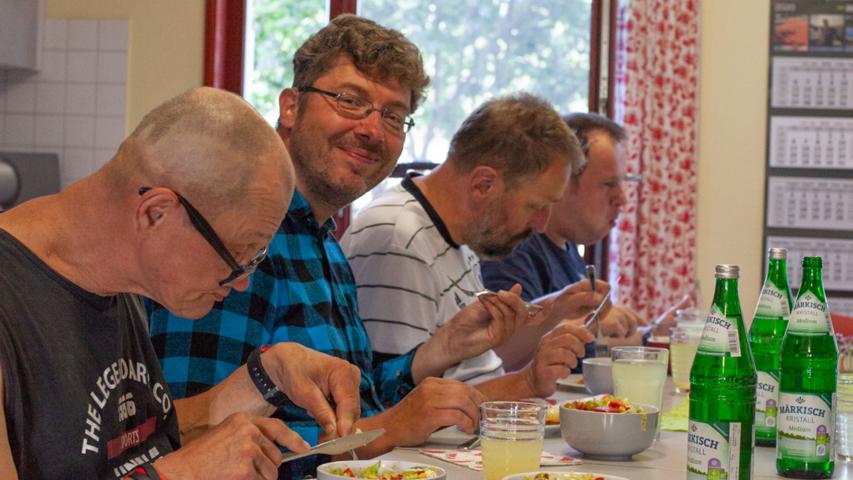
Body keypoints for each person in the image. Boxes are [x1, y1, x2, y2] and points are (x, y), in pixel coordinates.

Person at [148, 16, 540, 478]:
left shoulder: (324, 242)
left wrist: (440, 351)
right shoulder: (235, 231)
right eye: (350, 101)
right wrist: (388, 429)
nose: (373, 130)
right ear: (291, 107)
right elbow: (190, 440)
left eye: (393, 115)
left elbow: (355, 402)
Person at [0, 87, 362, 480]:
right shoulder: (14, 299)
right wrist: (178, 475)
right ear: (156, 214)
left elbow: (125, 443)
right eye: (237, 257)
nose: (242, 283)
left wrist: (265, 378)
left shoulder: (122, 273)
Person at [340, 93, 608, 401]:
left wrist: (538, 355)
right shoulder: (398, 238)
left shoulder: (457, 239)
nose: (541, 224)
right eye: (535, 206)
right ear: (483, 184)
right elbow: (392, 406)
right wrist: (526, 383)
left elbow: (472, 373)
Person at [481, 112, 683, 360]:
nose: (622, 198)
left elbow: (593, 348)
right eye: (608, 184)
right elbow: (503, 353)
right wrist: (590, 324)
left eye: (624, 182)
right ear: (563, 181)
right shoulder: (514, 247)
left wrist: (652, 335)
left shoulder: (568, 252)